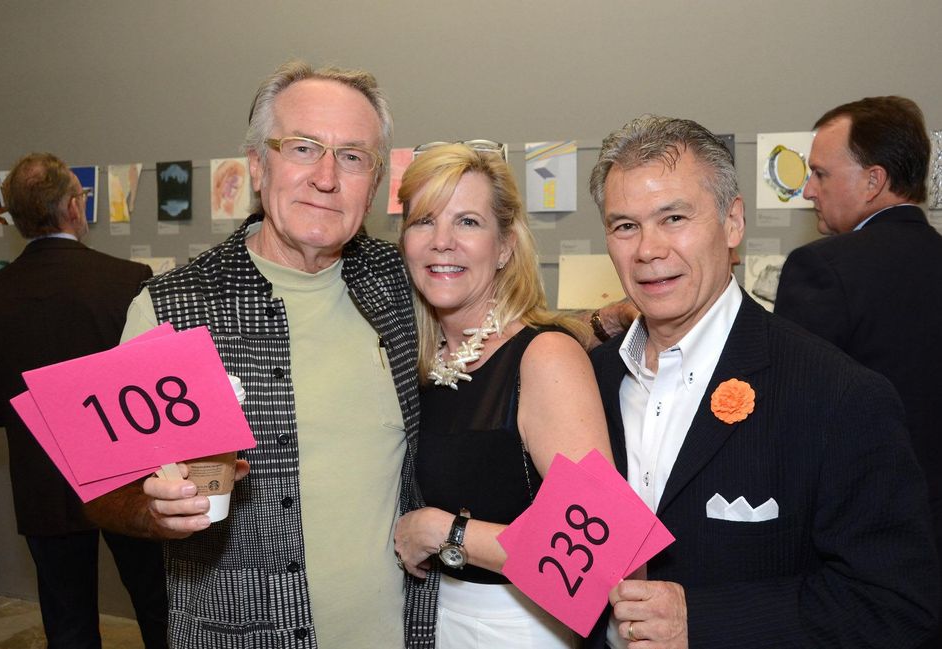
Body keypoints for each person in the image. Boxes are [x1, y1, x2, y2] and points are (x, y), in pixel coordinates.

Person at [84, 61, 438, 648]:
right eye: (303, 148)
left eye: (353, 157)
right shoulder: (174, 308)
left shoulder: (402, 285)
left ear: (375, 183)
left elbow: (498, 326)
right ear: (256, 164)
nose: (326, 177)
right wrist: (153, 512)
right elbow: (101, 486)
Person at [584, 116, 938, 648]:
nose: (648, 250)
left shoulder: (836, 395)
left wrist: (702, 622)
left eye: (673, 217)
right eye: (625, 226)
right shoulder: (591, 381)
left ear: (733, 223)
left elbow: (895, 606)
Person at [392, 143, 613, 648]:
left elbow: (596, 543)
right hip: (429, 618)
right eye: (424, 221)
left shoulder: (545, 356)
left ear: (506, 246)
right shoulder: (418, 362)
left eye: (467, 222)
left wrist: (442, 531)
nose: (442, 242)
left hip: (519, 627)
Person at [0, 152, 167, 648]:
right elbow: (154, 387)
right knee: (159, 611)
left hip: (43, 480)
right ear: (74, 207)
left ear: (15, 218)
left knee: (68, 624)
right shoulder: (127, 280)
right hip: (127, 477)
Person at [774, 96, 942, 646]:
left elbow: (789, 422)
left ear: (873, 181)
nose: (807, 190)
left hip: (860, 557)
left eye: (821, 173)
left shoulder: (824, 269)